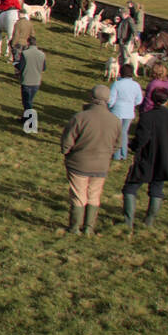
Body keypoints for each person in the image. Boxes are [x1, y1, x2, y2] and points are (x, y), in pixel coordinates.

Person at [120, 88, 168, 231]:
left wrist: (132, 145)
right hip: (167, 158)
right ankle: (149, 221)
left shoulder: (147, 117)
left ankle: (128, 221)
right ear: (167, 100)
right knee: (157, 188)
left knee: (130, 187)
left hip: (147, 158)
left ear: (151, 99)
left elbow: (141, 139)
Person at [59, 85, 121, 236]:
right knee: (94, 195)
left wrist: (67, 152)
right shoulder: (115, 120)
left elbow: (67, 142)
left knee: (79, 196)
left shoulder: (79, 117)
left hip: (78, 163)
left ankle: (74, 228)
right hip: (101, 165)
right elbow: (117, 145)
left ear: (91, 98)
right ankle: (88, 228)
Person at [108, 64, 145, 161]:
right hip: (129, 112)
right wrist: (131, 104)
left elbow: (111, 99)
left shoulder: (116, 84)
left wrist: (109, 107)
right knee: (124, 133)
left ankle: (116, 154)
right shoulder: (136, 85)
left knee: (117, 133)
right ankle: (124, 154)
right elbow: (139, 100)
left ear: (121, 73)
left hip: (117, 111)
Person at [15, 36, 46, 119]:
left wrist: (15, 64)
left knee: (26, 102)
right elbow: (44, 68)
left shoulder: (25, 53)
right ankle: (25, 118)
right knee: (30, 101)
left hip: (27, 81)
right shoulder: (42, 54)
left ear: (28, 43)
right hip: (36, 82)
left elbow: (20, 67)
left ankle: (29, 120)